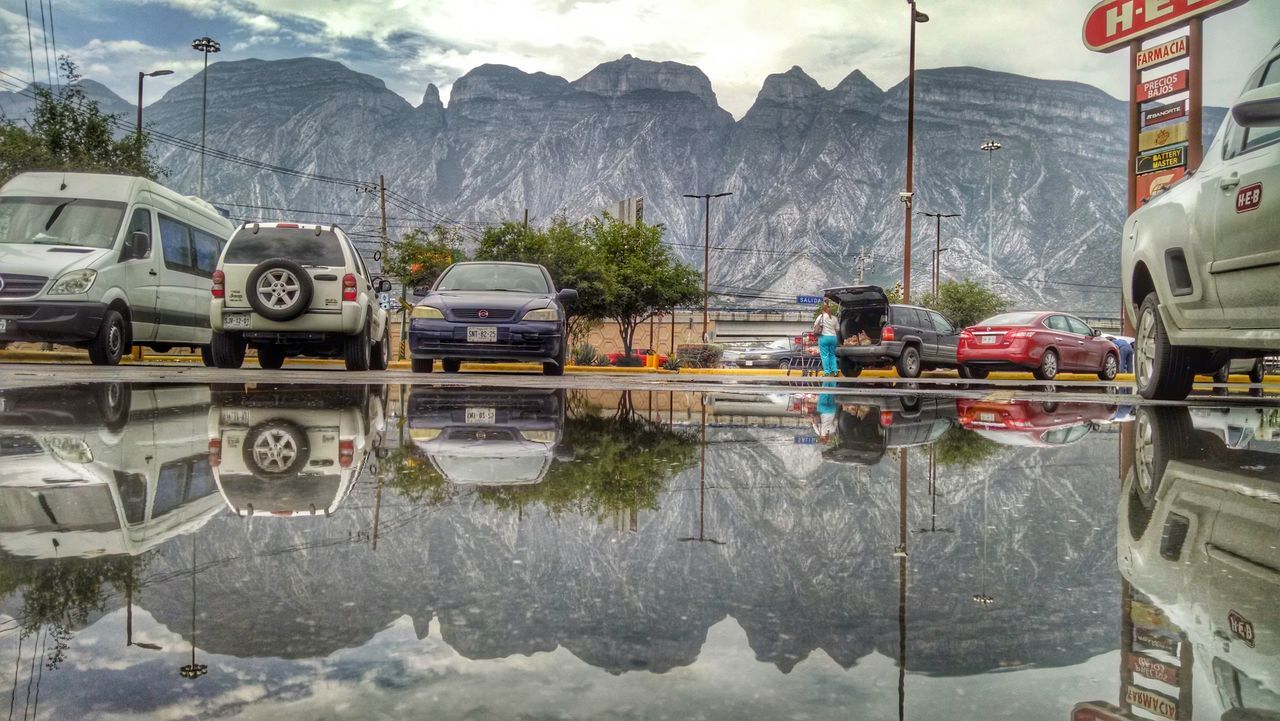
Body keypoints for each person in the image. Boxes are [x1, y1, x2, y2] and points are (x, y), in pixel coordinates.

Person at [813, 301, 839, 377]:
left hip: (824, 337)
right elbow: (837, 329)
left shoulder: (821, 316)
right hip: (833, 338)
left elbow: (815, 326)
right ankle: (835, 371)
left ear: (823, 310)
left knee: (824, 355)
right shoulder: (834, 318)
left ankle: (827, 372)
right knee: (832, 355)